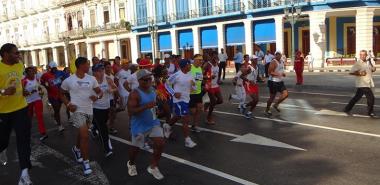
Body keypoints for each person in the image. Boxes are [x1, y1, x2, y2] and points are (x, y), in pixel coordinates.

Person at [60, 57, 102, 175]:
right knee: (85, 135)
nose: (89, 66)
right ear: (80, 65)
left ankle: (76, 148)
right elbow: (61, 93)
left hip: (89, 110)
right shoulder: (69, 80)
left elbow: (100, 92)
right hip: (76, 111)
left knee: (82, 134)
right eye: (87, 64)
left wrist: (97, 97)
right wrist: (68, 104)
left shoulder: (92, 79)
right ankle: (86, 162)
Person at [0, 43, 33, 185]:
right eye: (15, 53)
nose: (18, 55)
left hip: (21, 108)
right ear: (6, 54)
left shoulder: (19, 65)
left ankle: (24, 174)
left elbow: (19, 82)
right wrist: (3, 92)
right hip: (3, 112)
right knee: (3, 141)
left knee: (24, 140)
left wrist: (23, 91)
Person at [126, 69, 165, 180]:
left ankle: (153, 167)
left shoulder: (153, 90)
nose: (149, 81)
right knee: (135, 149)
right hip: (139, 125)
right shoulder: (135, 94)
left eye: (150, 78)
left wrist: (156, 110)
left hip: (153, 122)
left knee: (160, 143)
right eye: (146, 79)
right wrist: (146, 106)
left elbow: (154, 105)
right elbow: (131, 111)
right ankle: (131, 163)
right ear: (139, 81)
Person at [164, 59, 197, 148]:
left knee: (178, 116)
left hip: (187, 99)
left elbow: (194, 87)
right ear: (185, 66)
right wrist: (174, 93)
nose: (191, 66)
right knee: (186, 119)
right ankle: (187, 140)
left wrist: (194, 85)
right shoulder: (177, 75)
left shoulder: (191, 74)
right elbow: (166, 84)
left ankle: (167, 125)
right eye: (189, 65)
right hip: (179, 100)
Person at [92, 64, 117, 157]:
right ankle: (107, 148)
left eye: (102, 70)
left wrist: (111, 90)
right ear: (94, 72)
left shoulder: (107, 79)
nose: (101, 72)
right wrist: (95, 97)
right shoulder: (91, 81)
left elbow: (115, 88)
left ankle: (94, 127)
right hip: (95, 107)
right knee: (103, 128)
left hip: (106, 107)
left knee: (102, 123)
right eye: (99, 71)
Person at [344, 50, 377, 117]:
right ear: (359, 55)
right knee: (371, 98)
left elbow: (372, 70)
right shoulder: (358, 63)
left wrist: (373, 67)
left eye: (364, 55)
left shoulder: (368, 63)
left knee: (357, 98)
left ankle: (347, 109)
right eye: (361, 55)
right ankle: (370, 112)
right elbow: (351, 72)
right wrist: (360, 73)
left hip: (368, 83)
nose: (362, 56)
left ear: (366, 55)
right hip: (363, 84)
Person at [22, 66, 48, 141]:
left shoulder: (36, 79)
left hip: (37, 99)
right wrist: (30, 92)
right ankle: (27, 132)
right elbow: (23, 93)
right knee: (29, 118)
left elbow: (38, 87)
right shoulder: (24, 81)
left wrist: (41, 92)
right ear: (27, 73)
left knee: (39, 116)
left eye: (33, 71)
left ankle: (43, 133)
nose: (33, 73)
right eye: (30, 72)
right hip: (28, 101)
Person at [40, 61, 66, 132]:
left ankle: (55, 116)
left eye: (55, 68)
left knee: (58, 109)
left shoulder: (60, 73)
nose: (54, 70)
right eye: (52, 68)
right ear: (50, 68)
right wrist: (46, 87)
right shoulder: (45, 75)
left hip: (60, 94)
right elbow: (42, 81)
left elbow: (66, 77)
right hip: (52, 95)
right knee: (56, 108)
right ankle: (60, 125)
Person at [265, 51, 289, 116]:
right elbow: (269, 72)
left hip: (280, 81)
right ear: (275, 55)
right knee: (272, 97)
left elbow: (280, 70)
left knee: (286, 94)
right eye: (277, 54)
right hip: (273, 82)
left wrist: (282, 74)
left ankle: (276, 104)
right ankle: (267, 110)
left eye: (279, 54)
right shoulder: (273, 62)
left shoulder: (281, 61)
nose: (278, 55)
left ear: (281, 55)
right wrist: (279, 74)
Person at [204, 53, 223, 124]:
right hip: (209, 85)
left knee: (220, 100)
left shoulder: (217, 64)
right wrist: (209, 77)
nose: (216, 58)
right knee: (214, 101)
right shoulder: (207, 65)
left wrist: (218, 79)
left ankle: (208, 104)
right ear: (211, 57)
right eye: (214, 57)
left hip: (216, 85)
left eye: (216, 57)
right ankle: (208, 118)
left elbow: (218, 72)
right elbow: (202, 75)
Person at [189, 54, 204, 132]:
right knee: (193, 111)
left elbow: (199, 79)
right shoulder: (190, 68)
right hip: (190, 93)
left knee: (199, 109)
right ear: (194, 60)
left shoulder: (200, 68)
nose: (201, 61)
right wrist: (190, 84)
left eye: (201, 60)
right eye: (199, 60)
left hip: (198, 92)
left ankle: (195, 125)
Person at [104, 62, 119, 134]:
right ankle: (98, 127)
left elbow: (115, 87)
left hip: (111, 98)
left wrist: (116, 96)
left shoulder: (112, 76)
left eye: (110, 67)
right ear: (104, 68)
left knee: (113, 113)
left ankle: (111, 127)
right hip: (104, 99)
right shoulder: (103, 76)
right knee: (106, 115)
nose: (109, 69)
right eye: (107, 67)